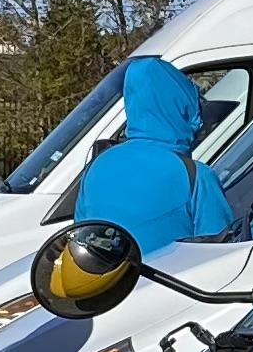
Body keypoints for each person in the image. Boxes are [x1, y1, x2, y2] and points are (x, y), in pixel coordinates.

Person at [71, 55, 237, 251]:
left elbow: (79, 236)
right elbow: (223, 253)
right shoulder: (195, 175)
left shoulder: (97, 166)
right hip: (170, 280)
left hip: (108, 278)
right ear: (185, 107)